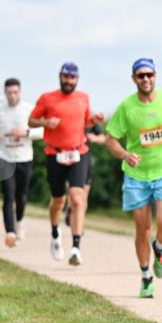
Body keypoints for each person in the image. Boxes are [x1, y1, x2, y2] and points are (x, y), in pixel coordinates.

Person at [104, 58, 162, 298]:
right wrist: (124, 154)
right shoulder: (126, 107)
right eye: (140, 75)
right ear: (134, 79)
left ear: (155, 76)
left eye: (149, 75)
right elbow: (110, 138)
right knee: (142, 229)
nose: (145, 79)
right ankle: (145, 276)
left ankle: (160, 247)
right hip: (136, 177)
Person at [28, 62, 105, 265]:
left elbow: (85, 122)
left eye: (72, 78)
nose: (69, 81)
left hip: (79, 153)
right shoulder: (47, 98)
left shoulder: (83, 98)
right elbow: (31, 120)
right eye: (65, 77)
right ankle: (55, 234)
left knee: (77, 198)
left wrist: (95, 120)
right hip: (55, 154)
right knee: (58, 201)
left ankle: (76, 247)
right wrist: (45, 122)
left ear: (77, 79)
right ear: (60, 77)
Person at [0, 78, 43, 247]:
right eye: (9, 92)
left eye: (15, 92)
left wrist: (25, 132)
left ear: (20, 92)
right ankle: (10, 233)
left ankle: (19, 223)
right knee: (8, 195)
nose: (12, 95)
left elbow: (41, 130)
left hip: (24, 157)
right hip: (5, 156)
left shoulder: (29, 109)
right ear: (5, 93)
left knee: (21, 196)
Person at [64, 123, 106, 227]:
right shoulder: (68, 115)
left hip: (86, 161)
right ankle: (71, 207)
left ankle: (79, 224)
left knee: (84, 195)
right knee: (73, 193)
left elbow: (103, 138)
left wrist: (94, 138)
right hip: (69, 159)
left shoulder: (91, 120)